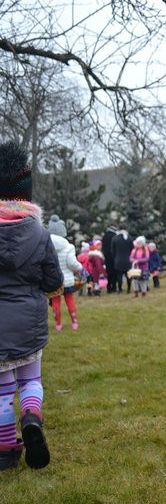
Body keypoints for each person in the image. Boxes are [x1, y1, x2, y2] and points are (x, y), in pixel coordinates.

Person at [0, 141, 62, 470]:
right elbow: (53, 281)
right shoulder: (39, 234)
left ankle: (7, 451)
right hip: (28, 323)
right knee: (30, 381)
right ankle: (32, 417)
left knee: (0, 391)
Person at [47, 215, 83, 330]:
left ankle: (58, 325)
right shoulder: (69, 247)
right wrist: (80, 268)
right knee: (69, 300)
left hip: (53, 280)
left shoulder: (46, 246)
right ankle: (74, 323)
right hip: (67, 280)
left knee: (55, 301)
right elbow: (72, 263)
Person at [111, 228, 133, 293]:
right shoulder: (129, 238)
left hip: (118, 259)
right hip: (127, 259)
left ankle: (120, 289)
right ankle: (129, 288)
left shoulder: (115, 238)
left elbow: (113, 250)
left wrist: (115, 257)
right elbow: (132, 249)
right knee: (128, 275)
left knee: (119, 275)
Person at [101, 224, 118, 293]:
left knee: (109, 273)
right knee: (114, 273)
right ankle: (114, 287)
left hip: (107, 257)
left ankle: (108, 287)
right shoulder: (114, 236)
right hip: (114, 257)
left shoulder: (104, 236)